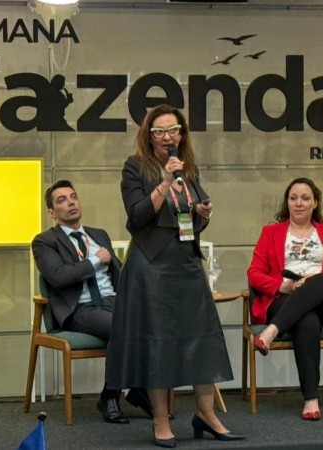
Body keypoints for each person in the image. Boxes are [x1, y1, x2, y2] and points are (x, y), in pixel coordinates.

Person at [105, 104, 243, 448]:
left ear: (182, 134)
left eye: (173, 130)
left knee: (202, 338)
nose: (168, 137)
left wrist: (202, 215)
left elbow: (188, 222)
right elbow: (137, 217)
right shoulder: (136, 167)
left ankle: (206, 414)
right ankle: (161, 419)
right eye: (160, 131)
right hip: (152, 265)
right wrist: (165, 181)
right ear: (149, 135)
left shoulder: (188, 168)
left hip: (186, 263)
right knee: (159, 343)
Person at [32, 180, 153, 424]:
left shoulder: (99, 235)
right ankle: (113, 396)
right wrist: (95, 260)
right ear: (51, 213)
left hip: (114, 302)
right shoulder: (45, 241)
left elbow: (120, 274)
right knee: (122, 327)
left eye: (73, 197)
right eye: (62, 200)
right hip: (81, 309)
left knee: (151, 322)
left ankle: (132, 391)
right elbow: (59, 276)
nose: (71, 203)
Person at [247, 178, 323, 421]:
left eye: (305, 198)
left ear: (315, 203)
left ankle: (271, 332)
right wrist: (281, 286)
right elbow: (254, 273)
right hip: (284, 298)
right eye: (293, 198)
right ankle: (311, 400)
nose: (299, 203)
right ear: (287, 203)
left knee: (320, 280)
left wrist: (314, 281)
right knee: (306, 320)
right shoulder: (271, 232)